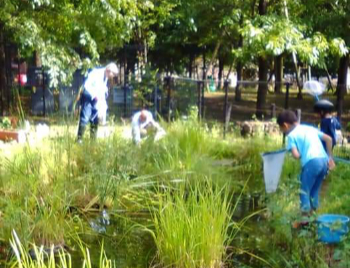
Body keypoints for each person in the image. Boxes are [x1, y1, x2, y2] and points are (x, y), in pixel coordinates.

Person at [277, 110, 335, 226]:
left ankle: (304, 221)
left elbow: (296, 155)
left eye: (281, 129)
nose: (282, 131)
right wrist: (330, 158)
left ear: (285, 125)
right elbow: (329, 139)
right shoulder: (309, 128)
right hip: (324, 162)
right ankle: (314, 218)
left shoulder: (291, 136)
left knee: (304, 192)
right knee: (314, 191)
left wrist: (296, 152)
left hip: (311, 163)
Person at [77, 63, 119, 142]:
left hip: (97, 99)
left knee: (95, 119)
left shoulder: (105, 76)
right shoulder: (96, 73)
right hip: (88, 96)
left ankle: (93, 140)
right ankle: (79, 139)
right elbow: (87, 85)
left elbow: (102, 87)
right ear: (108, 70)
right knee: (85, 118)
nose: (112, 76)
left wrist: (104, 93)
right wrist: (95, 96)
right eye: (112, 74)